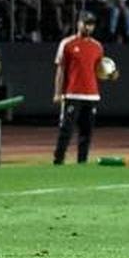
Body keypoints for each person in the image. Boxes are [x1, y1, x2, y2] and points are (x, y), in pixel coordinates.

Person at [53, 11, 116, 165]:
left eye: (91, 24)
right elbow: (60, 70)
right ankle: (58, 159)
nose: (88, 27)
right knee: (66, 130)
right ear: (78, 23)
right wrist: (57, 93)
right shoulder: (67, 44)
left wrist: (111, 75)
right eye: (86, 23)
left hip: (92, 95)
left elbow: (100, 70)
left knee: (86, 132)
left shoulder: (97, 47)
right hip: (72, 94)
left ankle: (82, 161)